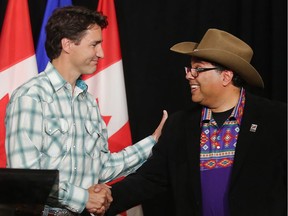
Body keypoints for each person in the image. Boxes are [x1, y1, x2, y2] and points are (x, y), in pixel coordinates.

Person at [4, 6, 168, 216]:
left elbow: (102, 168)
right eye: (94, 44)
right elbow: (27, 178)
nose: (101, 53)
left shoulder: (88, 102)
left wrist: (153, 141)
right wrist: (84, 197)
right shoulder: (31, 96)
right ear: (67, 44)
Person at [104, 28, 287, 216]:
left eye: (198, 69)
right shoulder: (180, 125)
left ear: (226, 76)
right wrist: (101, 201)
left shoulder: (277, 119)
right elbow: (150, 179)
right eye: (189, 69)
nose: (189, 75)